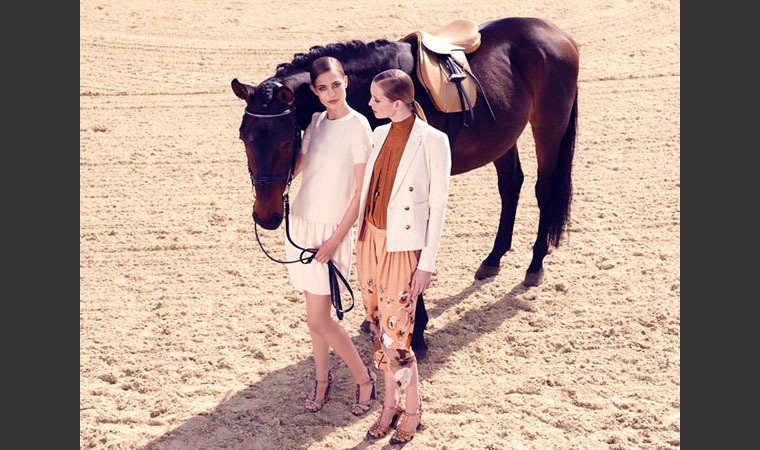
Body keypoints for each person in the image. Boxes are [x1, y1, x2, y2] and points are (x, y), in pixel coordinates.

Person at [357, 69, 451, 444]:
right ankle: (390, 402)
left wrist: (426, 264)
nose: (370, 104)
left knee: (397, 335)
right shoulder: (379, 134)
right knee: (377, 326)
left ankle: (412, 407)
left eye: (376, 99)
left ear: (397, 103)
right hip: (369, 241)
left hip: (402, 247)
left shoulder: (434, 141)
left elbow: (438, 207)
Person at [284, 56, 377, 415]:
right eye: (323, 88)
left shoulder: (359, 126)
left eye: (336, 84)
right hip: (302, 224)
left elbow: (360, 193)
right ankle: (323, 379)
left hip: (330, 232)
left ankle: (364, 378)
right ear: (314, 91)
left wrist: (336, 240)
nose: (331, 93)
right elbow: (299, 168)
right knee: (314, 315)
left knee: (319, 319)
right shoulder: (316, 122)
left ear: (346, 81)